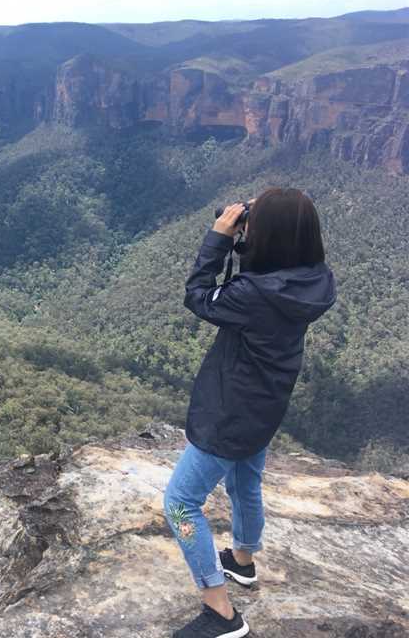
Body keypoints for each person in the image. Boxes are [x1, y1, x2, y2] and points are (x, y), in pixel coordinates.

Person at [164, 188, 337, 638]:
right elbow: (264, 280)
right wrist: (250, 244)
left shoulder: (253, 294)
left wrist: (218, 239)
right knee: (245, 483)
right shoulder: (313, 278)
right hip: (265, 407)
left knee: (181, 504)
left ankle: (220, 611)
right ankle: (242, 561)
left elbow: (199, 296)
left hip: (229, 412)